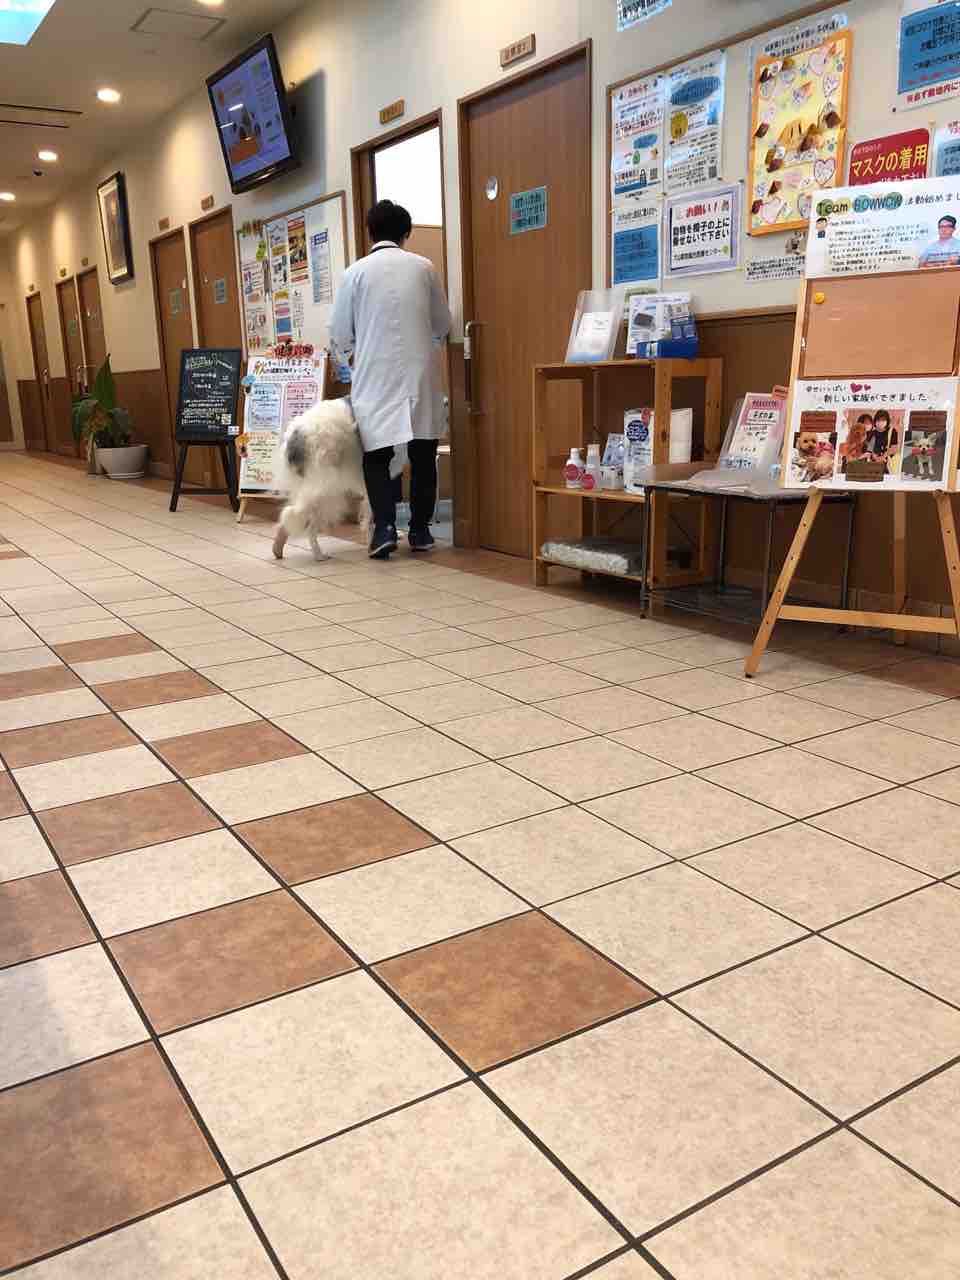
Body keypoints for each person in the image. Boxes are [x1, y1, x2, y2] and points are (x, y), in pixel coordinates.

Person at [330, 199, 452, 558]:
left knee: (377, 455)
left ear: (370, 232)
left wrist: (351, 357)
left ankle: (383, 528)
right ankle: (420, 531)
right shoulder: (424, 267)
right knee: (423, 452)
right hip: (419, 373)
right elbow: (442, 323)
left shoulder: (354, 273)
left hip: (374, 375)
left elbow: (340, 334)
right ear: (406, 233)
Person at [865, 408, 899, 473]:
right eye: (878, 420)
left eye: (883, 420)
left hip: (886, 463)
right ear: (875, 421)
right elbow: (869, 447)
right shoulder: (871, 433)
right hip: (873, 463)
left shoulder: (892, 431)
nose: (880, 422)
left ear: (887, 421)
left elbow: (894, 448)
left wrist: (882, 457)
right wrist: (874, 456)